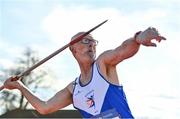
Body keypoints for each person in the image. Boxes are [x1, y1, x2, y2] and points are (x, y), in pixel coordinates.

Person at [3, 27, 166, 118]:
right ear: (73, 49)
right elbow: (45, 108)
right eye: (86, 41)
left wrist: (138, 37)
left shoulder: (103, 64)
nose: (92, 45)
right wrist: (20, 86)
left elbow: (122, 51)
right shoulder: (73, 89)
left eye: (93, 42)